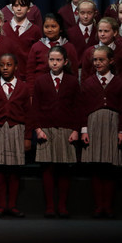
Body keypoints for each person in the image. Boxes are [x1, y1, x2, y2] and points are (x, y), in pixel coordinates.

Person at [30, 46, 81, 217]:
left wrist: (75, 130)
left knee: (64, 168)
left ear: (65, 61)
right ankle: (50, 206)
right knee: (48, 168)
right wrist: (37, 129)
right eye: (52, 59)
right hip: (46, 129)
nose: (55, 63)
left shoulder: (73, 81)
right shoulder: (41, 81)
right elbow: (35, 107)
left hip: (66, 129)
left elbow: (77, 108)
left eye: (58, 60)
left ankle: (62, 206)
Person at [80, 46, 122, 218]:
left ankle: (108, 205)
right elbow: (82, 107)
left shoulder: (120, 83)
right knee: (96, 166)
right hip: (93, 125)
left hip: (112, 125)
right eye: (95, 60)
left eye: (101, 60)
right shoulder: (88, 83)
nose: (98, 63)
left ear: (111, 61)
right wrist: (84, 130)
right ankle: (99, 205)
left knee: (109, 167)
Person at [0, 53, 31, 217]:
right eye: (2, 65)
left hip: (17, 130)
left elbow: (29, 114)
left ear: (15, 67)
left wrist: (27, 137)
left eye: (9, 65)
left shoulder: (23, 87)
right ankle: (1, 205)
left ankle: (12, 205)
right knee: (0, 170)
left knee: (14, 170)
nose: (5, 68)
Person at [26, 13, 79, 85]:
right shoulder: (36, 46)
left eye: (53, 26)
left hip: (63, 87)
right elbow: (30, 72)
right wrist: (31, 94)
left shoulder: (69, 47)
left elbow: (74, 72)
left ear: (61, 29)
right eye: (46, 27)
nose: (49, 30)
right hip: (40, 87)